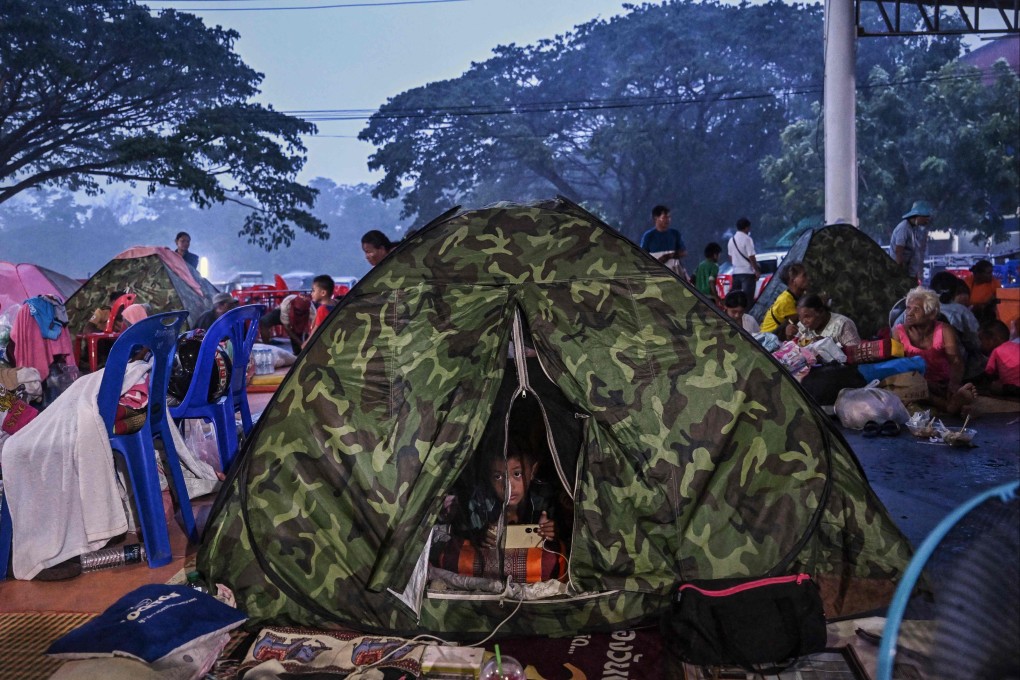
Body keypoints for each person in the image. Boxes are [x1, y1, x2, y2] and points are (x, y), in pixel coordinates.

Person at [893, 286, 977, 414]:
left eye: (916, 309)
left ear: (931, 314)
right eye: (908, 308)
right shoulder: (898, 332)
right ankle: (951, 406)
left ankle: (954, 401)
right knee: (906, 389)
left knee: (950, 390)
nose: (909, 313)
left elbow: (955, 361)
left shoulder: (944, 330)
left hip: (941, 383)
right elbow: (897, 366)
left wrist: (953, 384)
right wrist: (927, 384)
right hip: (915, 383)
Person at [760, 263, 809, 336]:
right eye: (804, 276)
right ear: (793, 281)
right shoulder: (785, 300)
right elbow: (801, 320)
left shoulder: (795, 296)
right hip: (769, 339)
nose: (808, 278)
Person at [793, 295, 861, 348]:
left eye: (807, 316)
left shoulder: (843, 324)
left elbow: (855, 352)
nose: (803, 321)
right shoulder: (803, 327)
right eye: (799, 316)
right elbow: (797, 347)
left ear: (820, 311)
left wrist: (829, 345)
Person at [639, 205, 687, 279]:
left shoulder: (675, 234)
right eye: (664, 217)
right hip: (656, 274)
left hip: (674, 274)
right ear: (656, 218)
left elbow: (683, 252)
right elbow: (642, 256)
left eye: (669, 217)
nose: (668, 220)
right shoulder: (649, 236)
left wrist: (668, 256)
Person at [891, 201, 932, 281]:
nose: (927, 221)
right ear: (917, 216)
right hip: (903, 274)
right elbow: (899, 251)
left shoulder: (913, 229)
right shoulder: (904, 228)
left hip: (910, 274)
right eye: (925, 218)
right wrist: (900, 273)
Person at [978, 319, 1020, 397]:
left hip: (1012, 389)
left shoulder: (996, 351)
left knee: (994, 386)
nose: (980, 344)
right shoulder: (1016, 345)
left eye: (981, 340)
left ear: (992, 340)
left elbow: (989, 372)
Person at [727, 217, 760, 302]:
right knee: (747, 300)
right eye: (749, 227)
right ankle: (746, 314)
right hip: (747, 273)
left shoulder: (731, 240)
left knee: (736, 300)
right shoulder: (747, 239)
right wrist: (756, 270)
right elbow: (751, 256)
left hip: (736, 273)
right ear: (746, 227)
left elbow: (730, 257)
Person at [306, 274, 336, 340]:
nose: (311, 293)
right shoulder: (335, 304)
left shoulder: (322, 309)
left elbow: (316, 330)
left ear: (323, 293)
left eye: (313, 290)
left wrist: (306, 343)